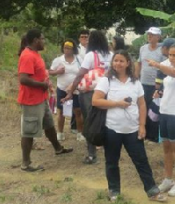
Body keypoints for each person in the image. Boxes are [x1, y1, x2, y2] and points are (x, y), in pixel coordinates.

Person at [92, 50, 167, 202]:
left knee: (141, 160)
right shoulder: (106, 81)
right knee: (112, 161)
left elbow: (142, 104)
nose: (117, 63)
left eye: (121, 61)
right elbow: (96, 101)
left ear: (128, 63)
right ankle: (114, 190)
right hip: (112, 128)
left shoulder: (135, 82)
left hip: (133, 130)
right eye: (115, 60)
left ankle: (152, 190)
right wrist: (117, 103)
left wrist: (142, 125)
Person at [17, 29, 73, 172]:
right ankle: (26, 163)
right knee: (29, 131)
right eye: (42, 39)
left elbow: (39, 73)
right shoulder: (27, 56)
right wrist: (42, 85)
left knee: (49, 125)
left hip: (41, 99)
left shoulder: (35, 55)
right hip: (31, 101)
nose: (44, 41)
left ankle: (58, 148)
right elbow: (23, 78)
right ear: (35, 40)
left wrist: (46, 84)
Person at [147, 43, 175, 197]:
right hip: (164, 112)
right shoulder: (169, 67)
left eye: (174, 55)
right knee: (166, 147)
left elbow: (173, 73)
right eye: (169, 55)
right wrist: (160, 93)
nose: (171, 58)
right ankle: (168, 179)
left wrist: (157, 64)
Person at [65, 30, 112, 165]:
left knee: (90, 121)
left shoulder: (91, 55)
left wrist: (71, 91)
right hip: (108, 92)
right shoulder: (111, 55)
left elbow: (80, 75)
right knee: (106, 120)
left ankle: (92, 154)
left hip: (90, 93)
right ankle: (109, 149)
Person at [49, 39, 84, 142]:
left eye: (69, 48)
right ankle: (60, 133)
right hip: (62, 89)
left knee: (77, 111)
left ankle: (80, 133)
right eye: (65, 48)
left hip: (76, 90)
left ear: (73, 49)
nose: (67, 50)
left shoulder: (79, 59)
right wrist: (57, 71)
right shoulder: (58, 60)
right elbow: (50, 72)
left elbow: (83, 72)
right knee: (61, 112)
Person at [136, 27, 164, 142]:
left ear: (158, 37)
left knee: (154, 109)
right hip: (143, 83)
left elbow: (164, 67)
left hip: (156, 85)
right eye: (148, 34)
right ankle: (144, 132)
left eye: (152, 35)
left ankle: (153, 136)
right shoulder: (143, 48)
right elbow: (139, 63)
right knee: (143, 107)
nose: (149, 36)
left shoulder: (162, 50)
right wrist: (136, 77)